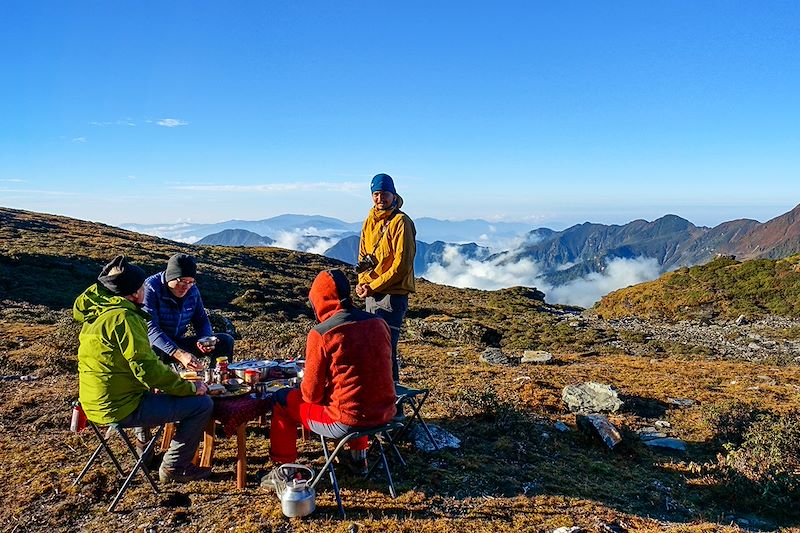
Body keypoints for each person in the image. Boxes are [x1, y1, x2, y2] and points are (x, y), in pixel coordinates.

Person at [73, 255, 213, 483]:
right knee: (202, 405)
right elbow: (147, 369)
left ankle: (144, 453)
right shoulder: (125, 317)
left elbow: (134, 369)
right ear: (136, 292)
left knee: (158, 391)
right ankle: (174, 468)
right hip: (120, 406)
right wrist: (188, 388)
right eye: (142, 287)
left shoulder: (98, 314)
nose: (145, 291)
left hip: (93, 403)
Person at [268, 269, 396, 473]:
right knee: (358, 391)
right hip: (386, 413)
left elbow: (311, 395)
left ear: (319, 299)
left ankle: (286, 471)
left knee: (281, 400)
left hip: (345, 422)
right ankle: (358, 458)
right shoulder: (379, 323)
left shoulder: (322, 333)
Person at [355, 173, 416, 382]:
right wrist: (362, 283)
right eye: (376, 194)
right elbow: (363, 256)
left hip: (393, 295)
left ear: (394, 194)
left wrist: (372, 286)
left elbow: (401, 266)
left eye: (385, 194)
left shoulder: (401, 222)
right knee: (372, 350)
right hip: (372, 294)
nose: (381, 199)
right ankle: (378, 405)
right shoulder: (369, 221)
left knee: (385, 351)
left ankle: (393, 408)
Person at [142, 253, 234, 371]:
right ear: (170, 276)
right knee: (153, 348)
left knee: (226, 341)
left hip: (178, 342)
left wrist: (205, 339)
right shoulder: (151, 288)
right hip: (154, 345)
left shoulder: (192, 290)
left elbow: (201, 319)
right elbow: (151, 328)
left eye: (191, 282)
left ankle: (215, 379)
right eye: (182, 281)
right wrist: (179, 354)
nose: (186, 287)